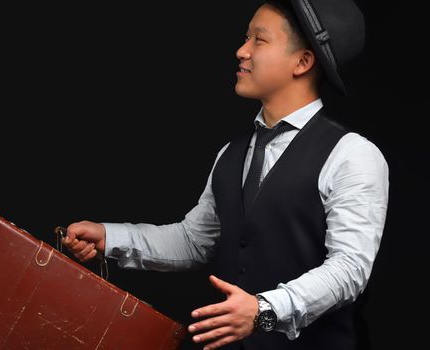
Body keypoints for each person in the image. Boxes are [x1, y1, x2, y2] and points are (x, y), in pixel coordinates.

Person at [62, 0, 389, 349]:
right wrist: (110, 238)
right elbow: (193, 241)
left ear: (303, 61)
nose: (241, 51)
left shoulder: (353, 155)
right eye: (245, 38)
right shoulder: (231, 153)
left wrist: (264, 309)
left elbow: (350, 269)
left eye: (258, 40)